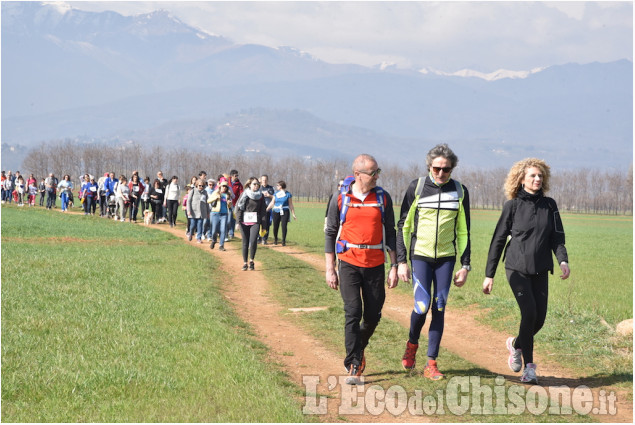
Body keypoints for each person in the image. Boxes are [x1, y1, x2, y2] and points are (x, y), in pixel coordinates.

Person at [482, 158, 570, 385]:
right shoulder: (512, 206)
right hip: (516, 268)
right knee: (529, 313)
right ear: (521, 179)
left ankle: (516, 345)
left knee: (539, 320)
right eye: (532, 175)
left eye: (540, 176)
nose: (537, 179)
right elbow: (498, 240)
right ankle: (529, 369)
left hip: (540, 268)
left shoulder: (549, 206)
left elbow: (557, 238)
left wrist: (562, 261)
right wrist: (489, 274)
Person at [396, 143, 471, 381]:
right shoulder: (416, 188)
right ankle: (412, 344)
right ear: (429, 166)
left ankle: (431, 363)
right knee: (421, 306)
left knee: (439, 306)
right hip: (420, 255)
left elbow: (464, 231)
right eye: (436, 168)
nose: (441, 173)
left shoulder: (460, 191)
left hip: (446, 258)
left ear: (452, 169)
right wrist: (401, 261)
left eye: (446, 169)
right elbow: (403, 226)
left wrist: (465, 265)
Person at [324, 154, 398, 385]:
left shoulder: (383, 198)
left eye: (378, 171)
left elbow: (391, 234)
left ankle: (358, 347)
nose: (377, 176)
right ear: (358, 174)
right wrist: (330, 268)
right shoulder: (340, 197)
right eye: (373, 172)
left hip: (375, 264)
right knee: (352, 312)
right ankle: (354, 363)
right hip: (348, 262)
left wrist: (394, 266)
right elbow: (330, 232)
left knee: (373, 315)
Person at [236, 177, 268, 271]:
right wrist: (238, 222)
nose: (256, 186)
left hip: (255, 221)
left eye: (258, 184)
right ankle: (245, 263)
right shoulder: (244, 194)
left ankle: (251, 261)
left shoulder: (261, 196)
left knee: (253, 241)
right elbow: (238, 209)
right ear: (250, 185)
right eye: (254, 184)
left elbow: (263, 212)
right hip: (244, 221)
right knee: (245, 242)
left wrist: (264, 226)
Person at [267, 180, 297, 246]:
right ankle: (275, 240)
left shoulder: (288, 194)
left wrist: (293, 214)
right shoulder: (276, 194)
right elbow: (272, 202)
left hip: (285, 211)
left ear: (281, 186)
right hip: (276, 211)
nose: (276, 186)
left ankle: (283, 241)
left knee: (284, 226)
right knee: (275, 226)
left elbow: (290, 204)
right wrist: (267, 209)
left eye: (277, 185)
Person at [208, 180, 231, 251]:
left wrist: (229, 203)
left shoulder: (227, 195)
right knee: (214, 230)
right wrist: (216, 197)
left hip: (224, 214)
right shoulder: (215, 192)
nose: (224, 188)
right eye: (223, 186)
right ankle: (214, 240)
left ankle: (221, 245)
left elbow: (229, 206)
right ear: (220, 187)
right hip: (215, 213)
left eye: (225, 187)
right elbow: (208, 200)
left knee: (223, 230)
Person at [186, 179, 210, 243]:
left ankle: (199, 238)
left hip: (202, 212)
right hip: (193, 211)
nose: (201, 187)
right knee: (193, 224)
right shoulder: (193, 191)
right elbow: (188, 201)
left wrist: (208, 212)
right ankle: (191, 233)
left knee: (200, 225)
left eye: (202, 186)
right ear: (196, 185)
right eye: (200, 185)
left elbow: (207, 203)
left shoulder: (205, 192)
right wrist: (188, 210)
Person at [259, 175, 275, 244]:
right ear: (261, 181)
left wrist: (269, 195)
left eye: (265, 180)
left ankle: (264, 239)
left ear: (267, 180)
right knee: (259, 224)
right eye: (263, 180)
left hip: (268, 209)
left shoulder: (271, 188)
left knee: (267, 224)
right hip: (259, 209)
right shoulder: (259, 188)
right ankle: (259, 238)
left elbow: (274, 197)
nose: (264, 181)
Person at [228, 169, 243, 239]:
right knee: (227, 219)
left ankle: (231, 233)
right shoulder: (227, 182)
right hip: (226, 203)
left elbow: (241, 194)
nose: (237, 177)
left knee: (233, 219)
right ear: (231, 176)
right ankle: (224, 232)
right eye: (235, 175)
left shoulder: (239, 184)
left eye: (237, 175)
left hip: (234, 204)